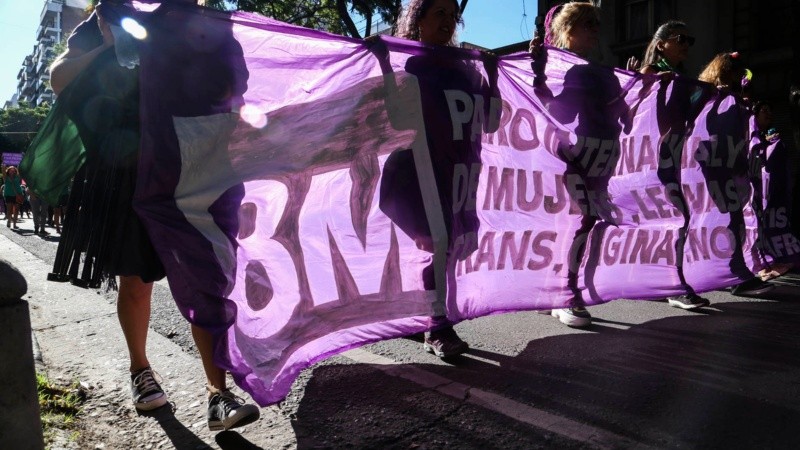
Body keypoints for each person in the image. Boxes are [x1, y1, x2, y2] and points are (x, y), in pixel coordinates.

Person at [48, 0, 259, 430]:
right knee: (136, 278)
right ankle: (140, 370)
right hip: (127, 169)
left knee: (205, 276)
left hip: (191, 165)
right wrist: (108, 46)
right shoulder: (108, 14)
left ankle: (218, 393)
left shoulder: (202, 21)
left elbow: (234, 87)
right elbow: (59, 78)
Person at [385, 0, 498, 356]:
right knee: (439, 244)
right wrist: (382, 64)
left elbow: (491, 121)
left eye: (453, 15)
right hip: (418, 174)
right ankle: (437, 326)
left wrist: (493, 76)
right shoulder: (413, 66)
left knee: (447, 249)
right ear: (418, 20)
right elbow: (397, 121)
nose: (448, 22)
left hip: (458, 175)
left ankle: (426, 316)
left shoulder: (467, 71)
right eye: (439, 14)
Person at [530, 1, 625, 327]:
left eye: (596, 24)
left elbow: (623, 115)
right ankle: (566, 293)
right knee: (581, 221)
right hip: (577, 158)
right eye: (588, 24)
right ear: (568, 30)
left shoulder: (603, 71)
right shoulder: (569, 71)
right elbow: (560, 113)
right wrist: (538, 75)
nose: (595, 31)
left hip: (602, 159)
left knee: (585, 224)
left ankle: (554, 291)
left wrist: (640, 86)